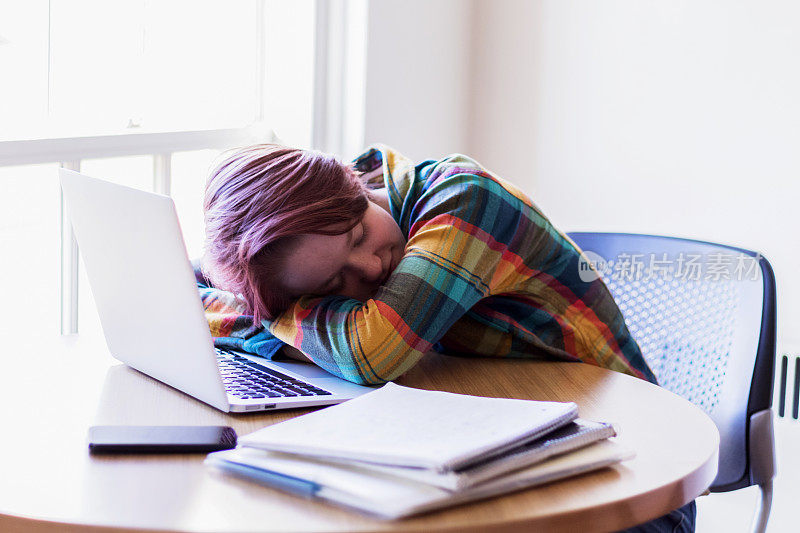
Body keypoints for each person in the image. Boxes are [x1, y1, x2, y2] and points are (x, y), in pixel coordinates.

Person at [198, 143, 694, 532]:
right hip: (501, 463)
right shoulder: (309, 238)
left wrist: (266, 316)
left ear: (354, 186)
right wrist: (257, 301)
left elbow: (373, 351)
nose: (370, 268)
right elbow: (196, 282)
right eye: (332, 286)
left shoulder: (466, 198)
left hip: (629, 487)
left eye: (357, 234)